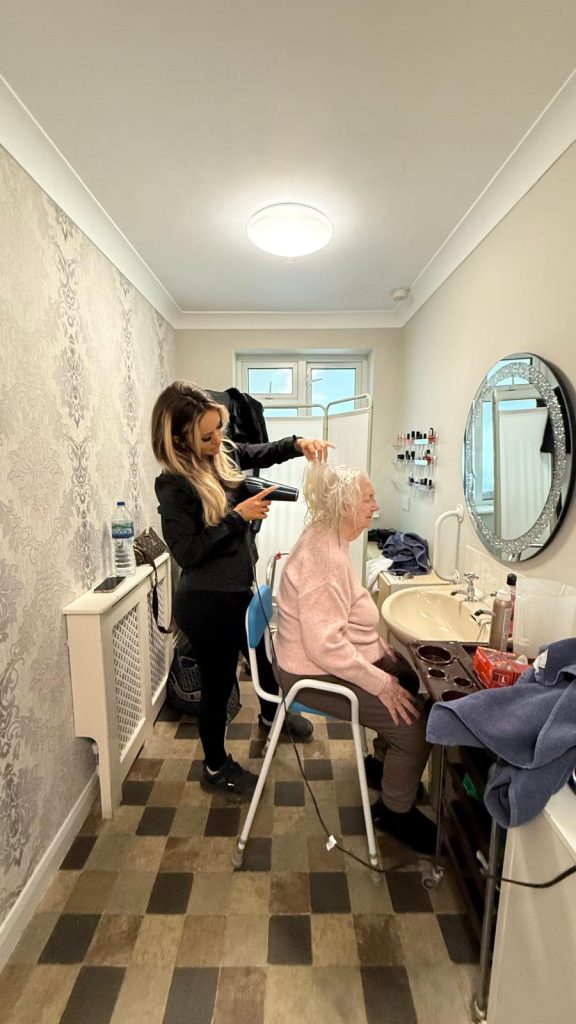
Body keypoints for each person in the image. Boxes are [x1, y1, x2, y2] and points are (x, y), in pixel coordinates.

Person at [151, 380, 332, 801]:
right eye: (207, 436)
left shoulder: (219, 454)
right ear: (179, 439)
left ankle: (271, 717)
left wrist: (298, 444)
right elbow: (188, 553)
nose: (219, 441)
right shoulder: (173, 485)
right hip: (206, 601)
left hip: (237, 589)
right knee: (218, 687)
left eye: (219, 429)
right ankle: (215, 767)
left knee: (263, 656)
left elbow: (257, 452)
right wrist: (238, 516)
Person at [274, 462, 435, 855]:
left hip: (319, 657)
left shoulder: (330, 536)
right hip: (309, 673)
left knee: (408, 679)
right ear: (344, 504)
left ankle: (383, 767)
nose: (376, 507)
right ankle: (394, 813)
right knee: (416, 726)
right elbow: (324, 646)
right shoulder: (324, 559)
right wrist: (380, 681)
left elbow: (341, 617)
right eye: (368, 499)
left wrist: (379, 649)